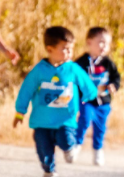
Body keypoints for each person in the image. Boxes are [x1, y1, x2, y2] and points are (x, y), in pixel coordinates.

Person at [13, 26, 97, 177]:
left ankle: (70, 148)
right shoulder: (39, 71)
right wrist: (20, 112)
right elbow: (26, 90)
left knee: (65, 140)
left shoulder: (73, 68)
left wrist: (88, 97)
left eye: (71, 48)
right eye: (65, 48)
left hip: (65, 120)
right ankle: (49, 171)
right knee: (43, 151)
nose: (70, 52)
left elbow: (87, 85)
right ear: (50, 49)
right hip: (42, 121)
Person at [73, 27, 120, 166]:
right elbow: (73, 76)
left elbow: (116, 77)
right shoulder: (81, 62)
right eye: (100, 42)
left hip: (103, 101)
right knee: (84, 121)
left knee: (100, 128)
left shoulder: (108, 63)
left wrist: (113, 85)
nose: (104, 46)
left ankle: (98, 151)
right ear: (89, 42)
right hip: (86, 100)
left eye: (107, 44)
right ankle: (76, 146)